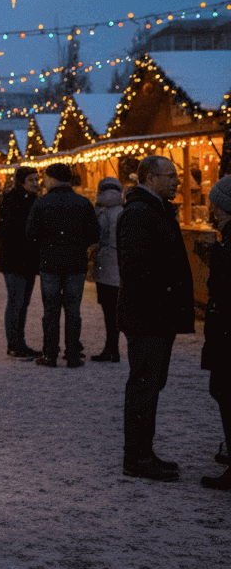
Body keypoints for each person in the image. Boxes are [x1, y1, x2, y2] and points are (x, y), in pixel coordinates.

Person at [117, 155, 193, 481]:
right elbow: (135, 270)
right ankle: (137, 457)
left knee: (150, 385)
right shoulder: (140, 213)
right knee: (144, 387)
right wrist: (163, 296)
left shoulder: (154, 209)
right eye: (171, 175)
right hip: (149, 316)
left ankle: (142, 453)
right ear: (150, 178)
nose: (177, 181)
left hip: (156, 315)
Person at [26, 162, 101, 368]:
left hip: (50, 262)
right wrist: (78, 244)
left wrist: (46, 245)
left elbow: (31, 234)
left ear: (52, 178)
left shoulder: (41, 203)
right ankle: (73, 353)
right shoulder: (83, 202)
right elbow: (94, 233)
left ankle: (50, 353)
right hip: (76, 263)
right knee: (73, 310)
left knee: (51, 311)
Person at [201, 175, 231, 490]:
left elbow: (223, 285)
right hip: (223, 327)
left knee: (224, 390)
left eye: (217, 207)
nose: (214, 213)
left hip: (226, 329)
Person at [0, 167, 42, 359]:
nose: (36, 183)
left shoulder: (33, 199)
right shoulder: (13, 200)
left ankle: (19, 342)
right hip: (15, 260)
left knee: (23, 303)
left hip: (27, 259)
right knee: (16, 302)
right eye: (31, 179)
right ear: (21, 181)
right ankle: (14, 344)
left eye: (37, 179)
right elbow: (13, 232)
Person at [90, 177, 125, 362]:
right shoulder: (123, 210)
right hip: (119, 265)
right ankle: (113, 348)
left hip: (103, 264)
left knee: (108, 311)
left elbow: (94, 237)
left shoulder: (99, 210)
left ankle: (111, 349)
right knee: (116, 310)